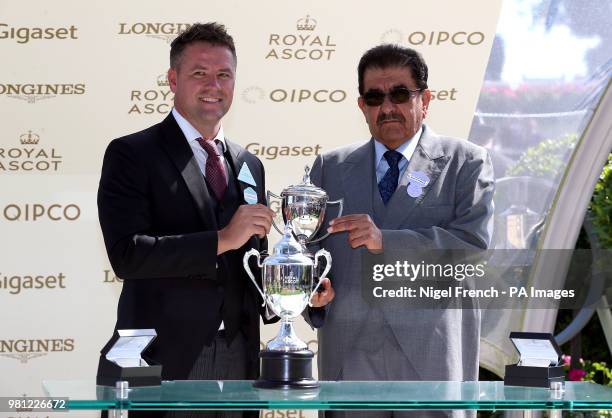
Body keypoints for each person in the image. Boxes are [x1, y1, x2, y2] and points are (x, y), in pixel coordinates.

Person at [96, 22, 332, 418]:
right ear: (173, 79)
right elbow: (127, 255)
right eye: (199, 73)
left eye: (224, 75)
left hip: (239, 362)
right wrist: (221, 238)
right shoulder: (131, 154)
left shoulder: (249, 164)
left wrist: (296, 294)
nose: (214, 85)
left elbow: (246, 269)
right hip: (156, 359)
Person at [308, 44, 495, 418]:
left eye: (399, 94)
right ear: (362, 105)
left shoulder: (466, 162)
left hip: (432, 358)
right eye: (375, 97)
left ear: (424, 100)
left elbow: (473, 245)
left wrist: (385, 242)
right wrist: (311, 291)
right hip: (351, 357)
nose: (387, 107)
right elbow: (311, 253)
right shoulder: (328, 168)